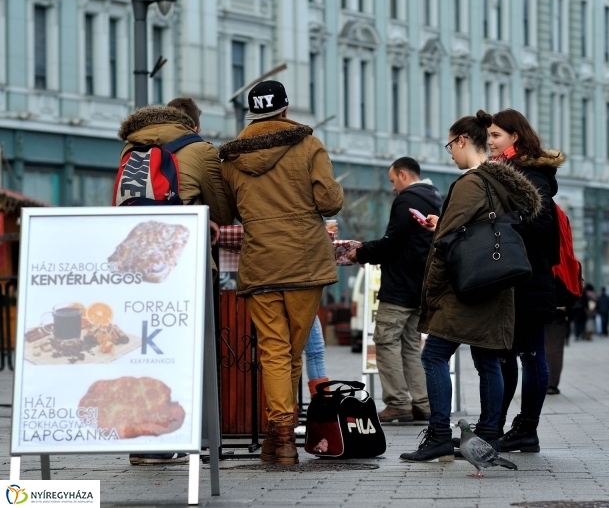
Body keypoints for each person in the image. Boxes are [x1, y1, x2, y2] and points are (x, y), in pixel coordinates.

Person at [399, 111, 541, 462]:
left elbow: (445, 243)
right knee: (488, 358)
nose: (450, 153)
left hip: (465, 287)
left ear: (463, 140)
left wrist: (431, 292)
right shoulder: (502, 182)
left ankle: (439, 436)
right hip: (497, 284)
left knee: (433, 356)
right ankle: (489, 433)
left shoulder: (470, 183)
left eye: (450, 144)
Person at [218, 80, 343, 465]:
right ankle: (282, 434)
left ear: (251, 114)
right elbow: (329, 201)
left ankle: (280, 435)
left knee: (273, 349)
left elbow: (225, 213)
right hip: (305, 260)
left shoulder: (231, 159)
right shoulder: (308, 145)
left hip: (261, 262)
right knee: (293, 349)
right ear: (285, 111)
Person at [117, 97, 233, 466]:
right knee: (195, 351)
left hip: (135, 268)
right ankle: (190, 435)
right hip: (186, 266)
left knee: (146, 349)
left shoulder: (131, 145)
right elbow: (225, 210)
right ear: (194, 125)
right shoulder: (199, 148)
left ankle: (142, 439)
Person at [486, 109, 563, 452]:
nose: (489, 142)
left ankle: (526, 428)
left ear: (514, 137)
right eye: (488, 136)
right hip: (509, 278)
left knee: (531, 355)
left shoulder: (531, 174)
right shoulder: (503, 171)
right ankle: (497, 427)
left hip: (529, 277)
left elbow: (542, 225)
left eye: (496, 136)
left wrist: (501, 223)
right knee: (506, 354)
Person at [345, 157, 442, 422]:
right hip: (421, 286)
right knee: (411, 345)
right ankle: (423, 403)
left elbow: (392, 242)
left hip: (399, 286)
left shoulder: (407, 199)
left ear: (402, 174)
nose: (392, 189)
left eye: (392, 182)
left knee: (385, 341)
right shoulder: (434, 197)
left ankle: (398, 401)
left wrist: (360, 252)